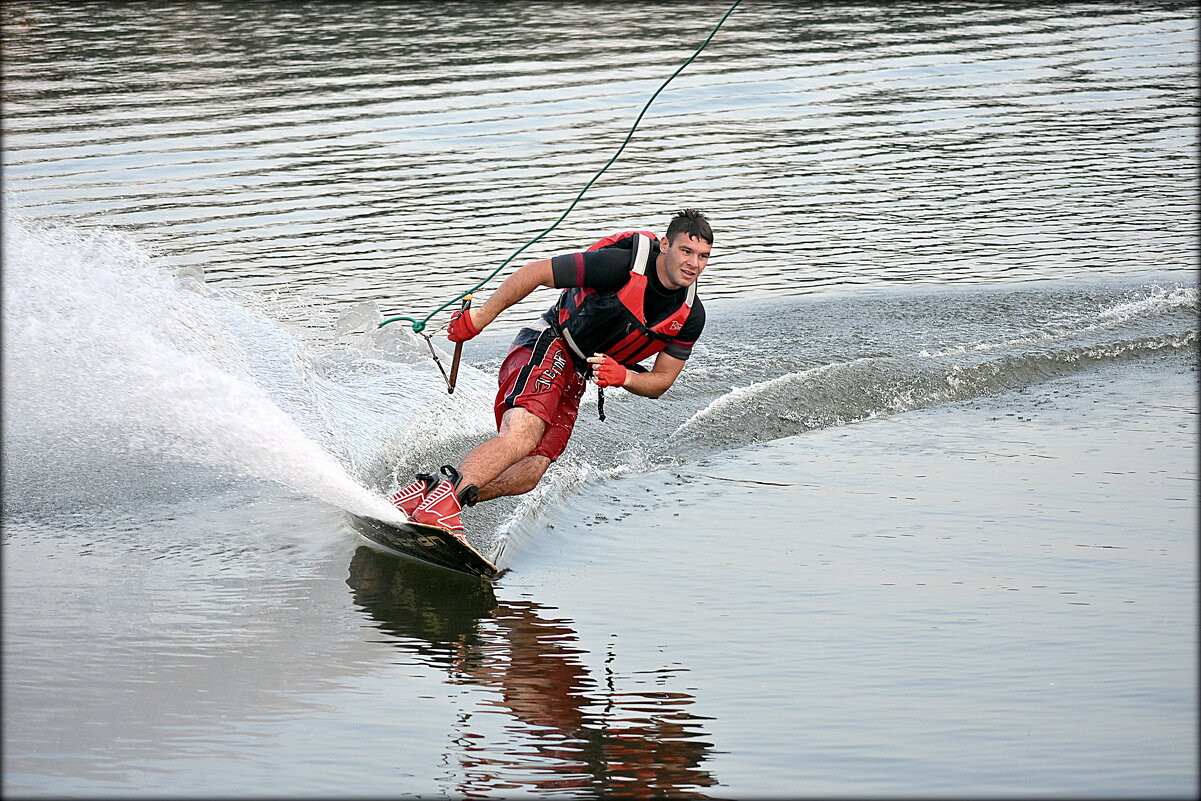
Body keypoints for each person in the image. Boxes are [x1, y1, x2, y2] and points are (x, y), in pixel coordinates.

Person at [390, 208, 713, 538]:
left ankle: (434, 494)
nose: (693, 263)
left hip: (576, 374)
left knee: (528, 474)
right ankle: (441, 508)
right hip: (548, 343)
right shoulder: (618, 266)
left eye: (702, 256)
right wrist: (480, 318)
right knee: (521, 438)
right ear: (664, 245)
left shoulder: (691, 316)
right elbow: (537, 272)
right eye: (685, 251)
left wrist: (624, 377)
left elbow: (662, 381)